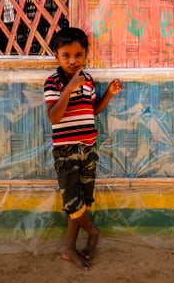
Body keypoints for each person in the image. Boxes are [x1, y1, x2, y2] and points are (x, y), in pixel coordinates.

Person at [44, 27, 123, 269]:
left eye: (78, 55)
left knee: (81, 202)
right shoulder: (53, 82)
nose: (72, 61)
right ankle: (94, 232)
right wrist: (69, 89)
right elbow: (54, 117)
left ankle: (68, 248)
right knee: (72, 203)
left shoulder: (88, 81)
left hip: (88, 149)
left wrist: (108, 94)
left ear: (85, 55)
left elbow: (92, 111)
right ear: (56, 55)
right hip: (66, 153)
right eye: (66, 55)